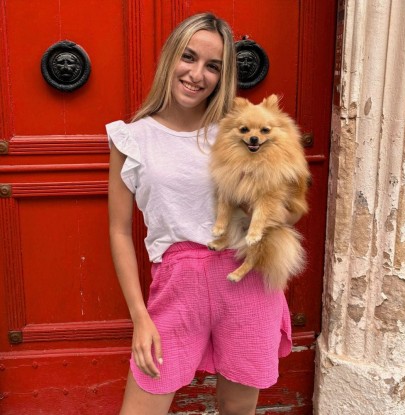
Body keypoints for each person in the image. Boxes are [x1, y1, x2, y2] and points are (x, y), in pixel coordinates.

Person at [107, 12, 296, 415]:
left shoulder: (239, 130)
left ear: (224, 76)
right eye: (188, 57)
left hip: (246, 277)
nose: (197, 74)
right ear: (170, 58)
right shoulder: (131, 138)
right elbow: (119, 231)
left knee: (236, 410)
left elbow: (284, 206)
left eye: (213, 66)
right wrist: (140, 318)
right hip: (177, 285)